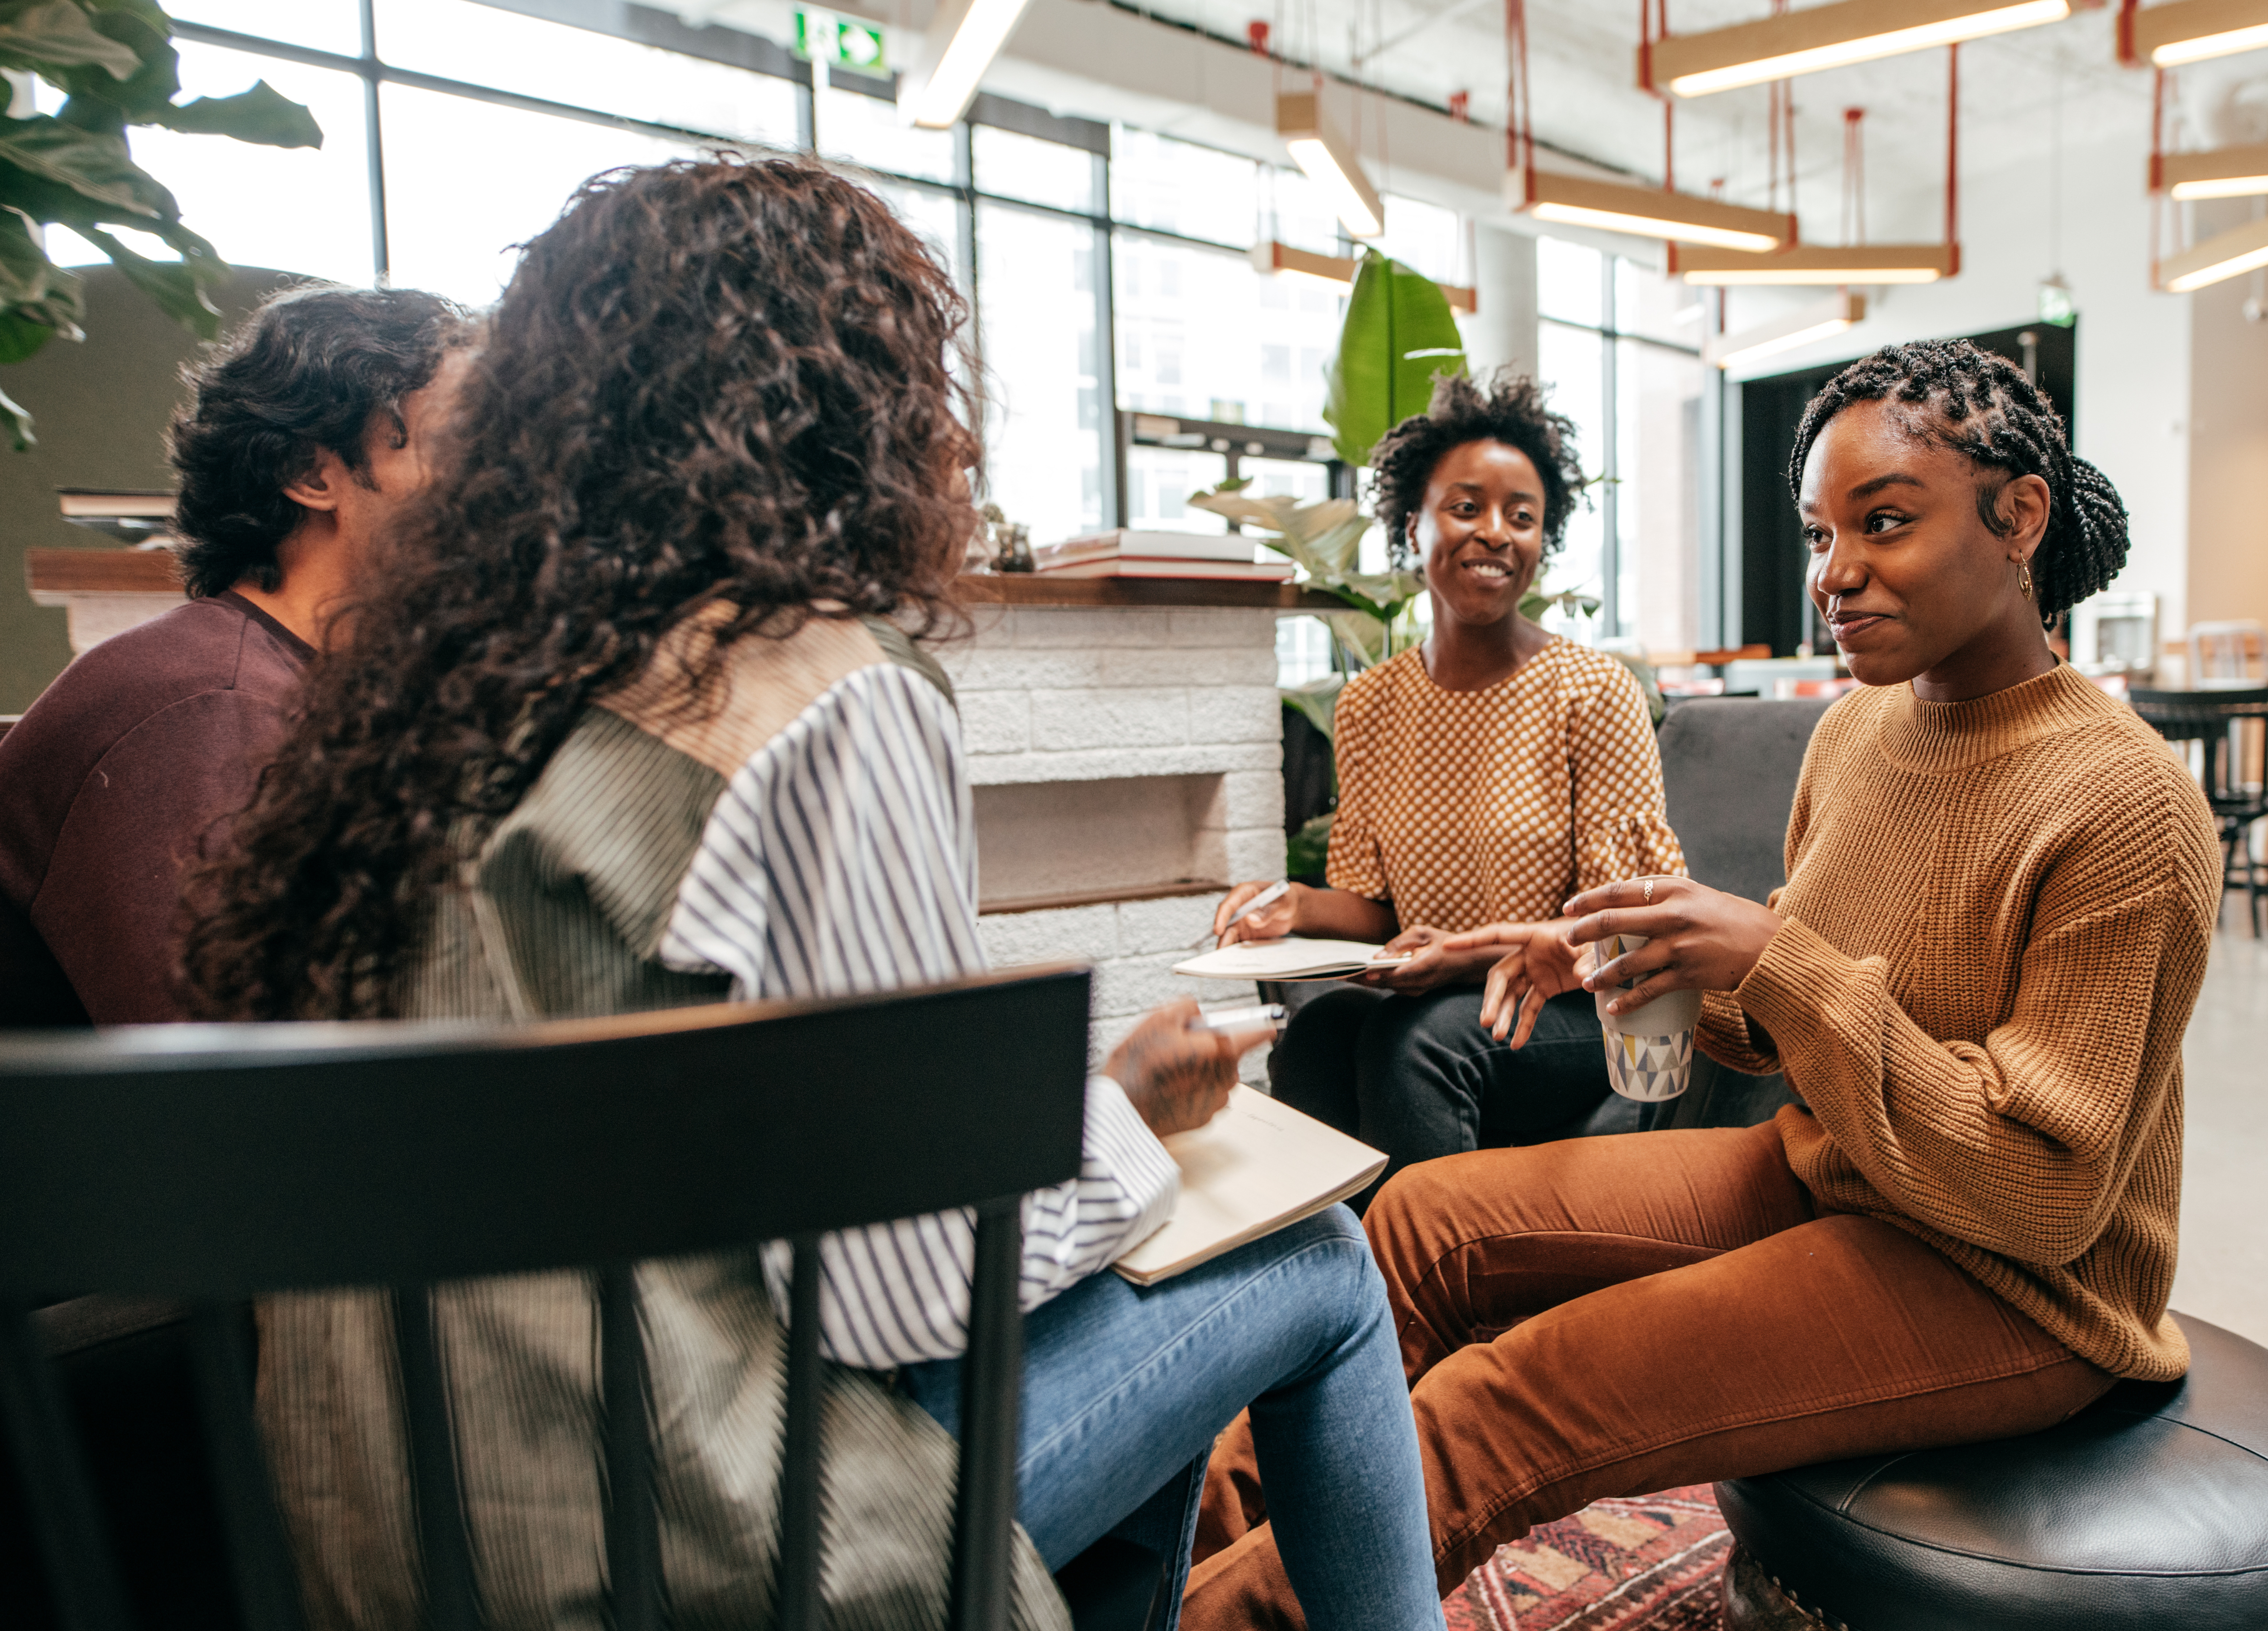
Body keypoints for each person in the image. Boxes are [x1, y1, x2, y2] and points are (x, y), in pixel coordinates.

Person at [182, 157, 1441, 1631]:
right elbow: (901, 1296)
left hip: (389, 1549)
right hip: (700, 1554)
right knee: (1312, 1257)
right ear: (855, 405)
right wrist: (1123, 1122)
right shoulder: (815, 688)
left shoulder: (426, 703)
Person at [1184, 339, 2223, 1630]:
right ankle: (1148, 1562)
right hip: (1831, 1169)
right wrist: (1640, 955)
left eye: (1885, 522)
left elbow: (2046, 1189)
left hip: (2015, 1281)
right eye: (1822, 532)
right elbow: (1768, 1025)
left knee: (1497, 1402)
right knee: (1411, 1228)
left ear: (2019, 517)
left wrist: (1777, 961)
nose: (1836, 573)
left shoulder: (2126, 801)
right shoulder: (1856, 730)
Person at [1210, 372, 1682, 1193]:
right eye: (1467, 507)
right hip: (1443, 994)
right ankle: (1338, 1284)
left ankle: (1433, 1307)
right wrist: (1293, 905)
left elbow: (1626, 927)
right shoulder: (1370, 704)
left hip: (1575, 1005)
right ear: (1412, 524)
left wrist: (1462, 955)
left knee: (1417, 1040)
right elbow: (1374, 908)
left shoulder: (1593, 690)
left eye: (1522, 516)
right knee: (1321, 1030)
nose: (1495, 533)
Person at [0, 285, 470, 1025]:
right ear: (314, 476)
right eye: (460, 443)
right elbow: (238, 1087)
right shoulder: (208, 709)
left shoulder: (332, 690)